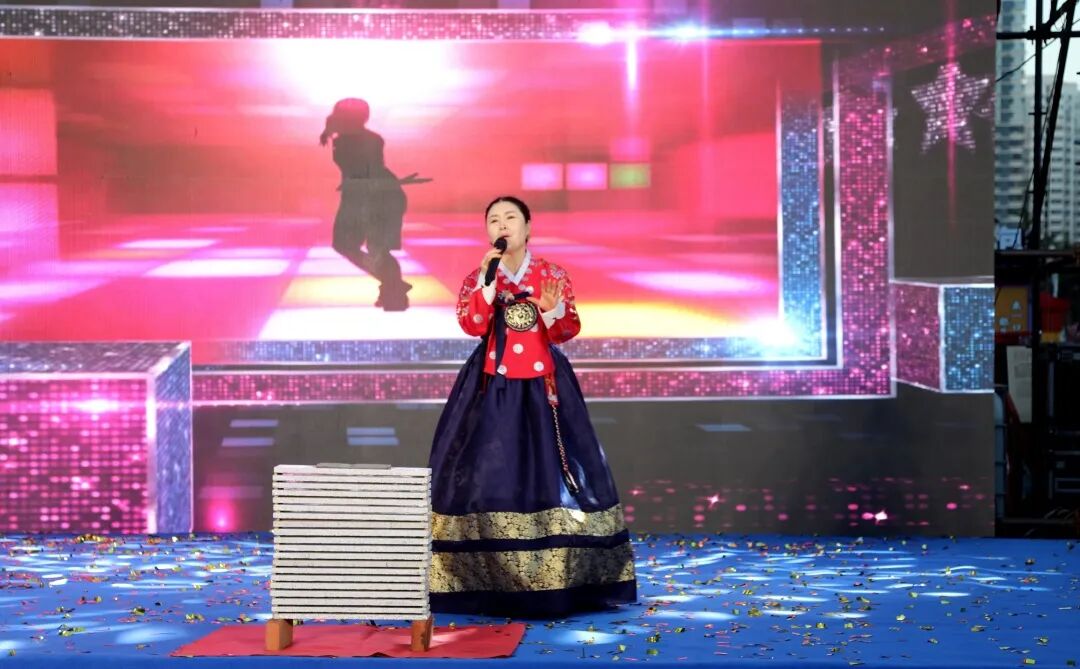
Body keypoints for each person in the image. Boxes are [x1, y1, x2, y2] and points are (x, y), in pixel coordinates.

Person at [427, 196, 637, 618]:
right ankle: (486, 578)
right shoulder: (479, 276)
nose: (502, 225)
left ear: (528, 227)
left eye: (510, 218)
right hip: (492, 384)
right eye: (493, 220)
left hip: (545, 386)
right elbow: (471, 324)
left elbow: (566, 330)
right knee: (488, 468)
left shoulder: (551, 274)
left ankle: (559, 579)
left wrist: (552, 309)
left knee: (552, 468)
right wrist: (487, 285)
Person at [319, 98, 427, 311]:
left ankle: (393, 291)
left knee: (371, 248)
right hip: (369, 194)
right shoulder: (348, 139)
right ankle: (393, 289)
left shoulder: (359, 140)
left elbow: (366, 172)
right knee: (366, 248)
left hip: (376, 196)